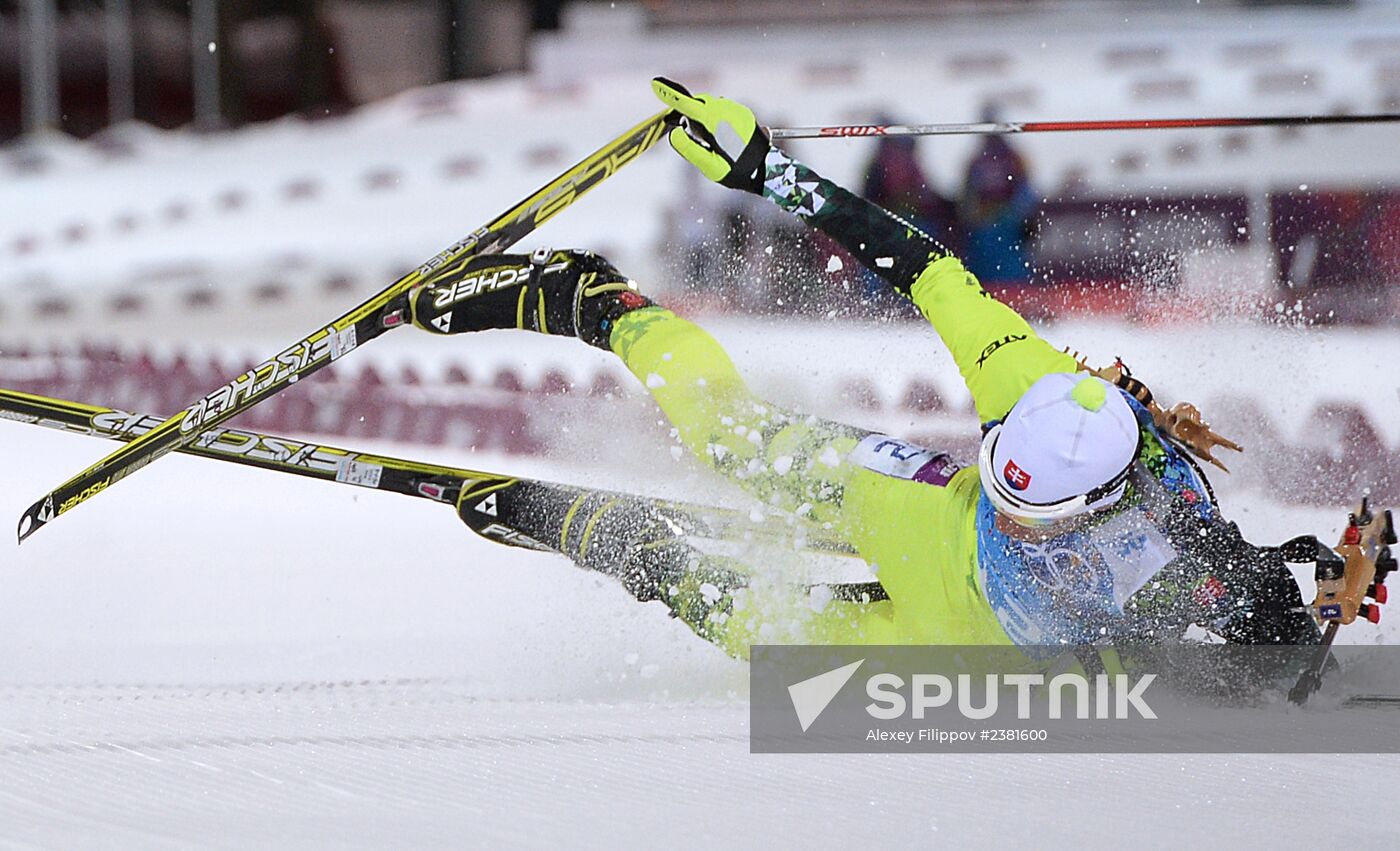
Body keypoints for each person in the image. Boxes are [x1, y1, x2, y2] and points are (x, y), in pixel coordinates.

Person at [401, 79, 1319, 659]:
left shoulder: (1175, 539)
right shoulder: (1030, 380)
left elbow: (1265, 613)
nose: (1013, 520)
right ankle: (597, 304)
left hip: (947, 647)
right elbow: (919, 263)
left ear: (1103, 504)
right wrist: (768, 170)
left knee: (748, 629)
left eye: (1031, 519)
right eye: (1005, 484)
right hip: (919, 512)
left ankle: (620, 544)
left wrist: (1307, 605)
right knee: (732, 438)